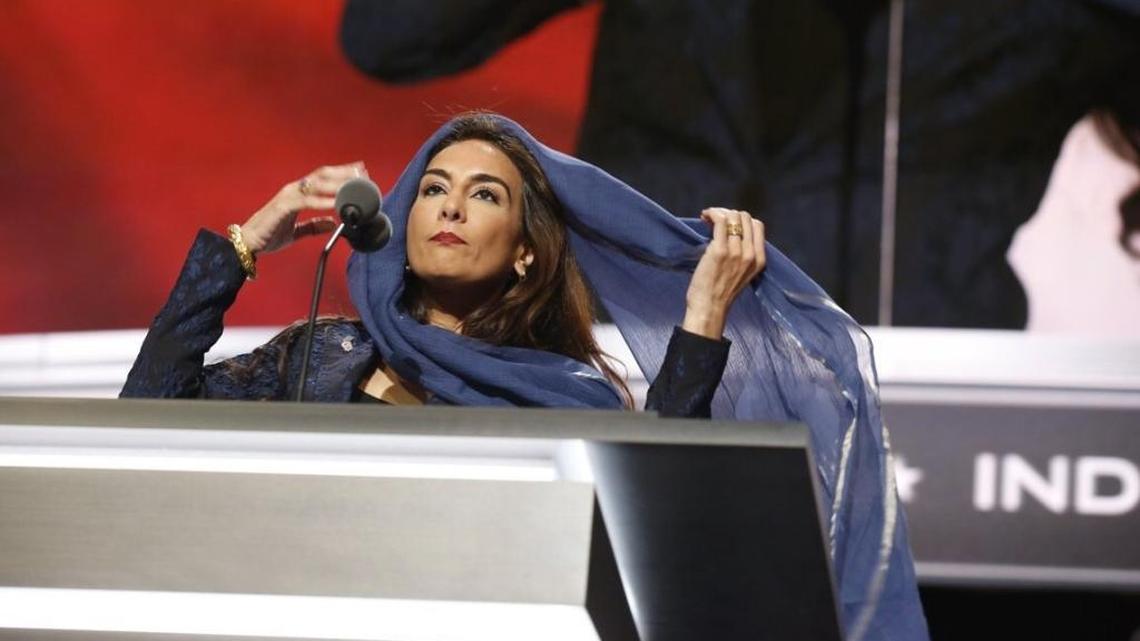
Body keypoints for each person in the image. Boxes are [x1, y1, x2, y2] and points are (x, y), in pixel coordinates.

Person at [122, 112, 927, 640]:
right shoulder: (322, 356)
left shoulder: (558, 393)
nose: (450, 207)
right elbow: (148, 416)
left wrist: (705, 313)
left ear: (525, 250)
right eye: (433, 188)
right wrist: (246, 242)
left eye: (483, 195)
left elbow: (651, 520)